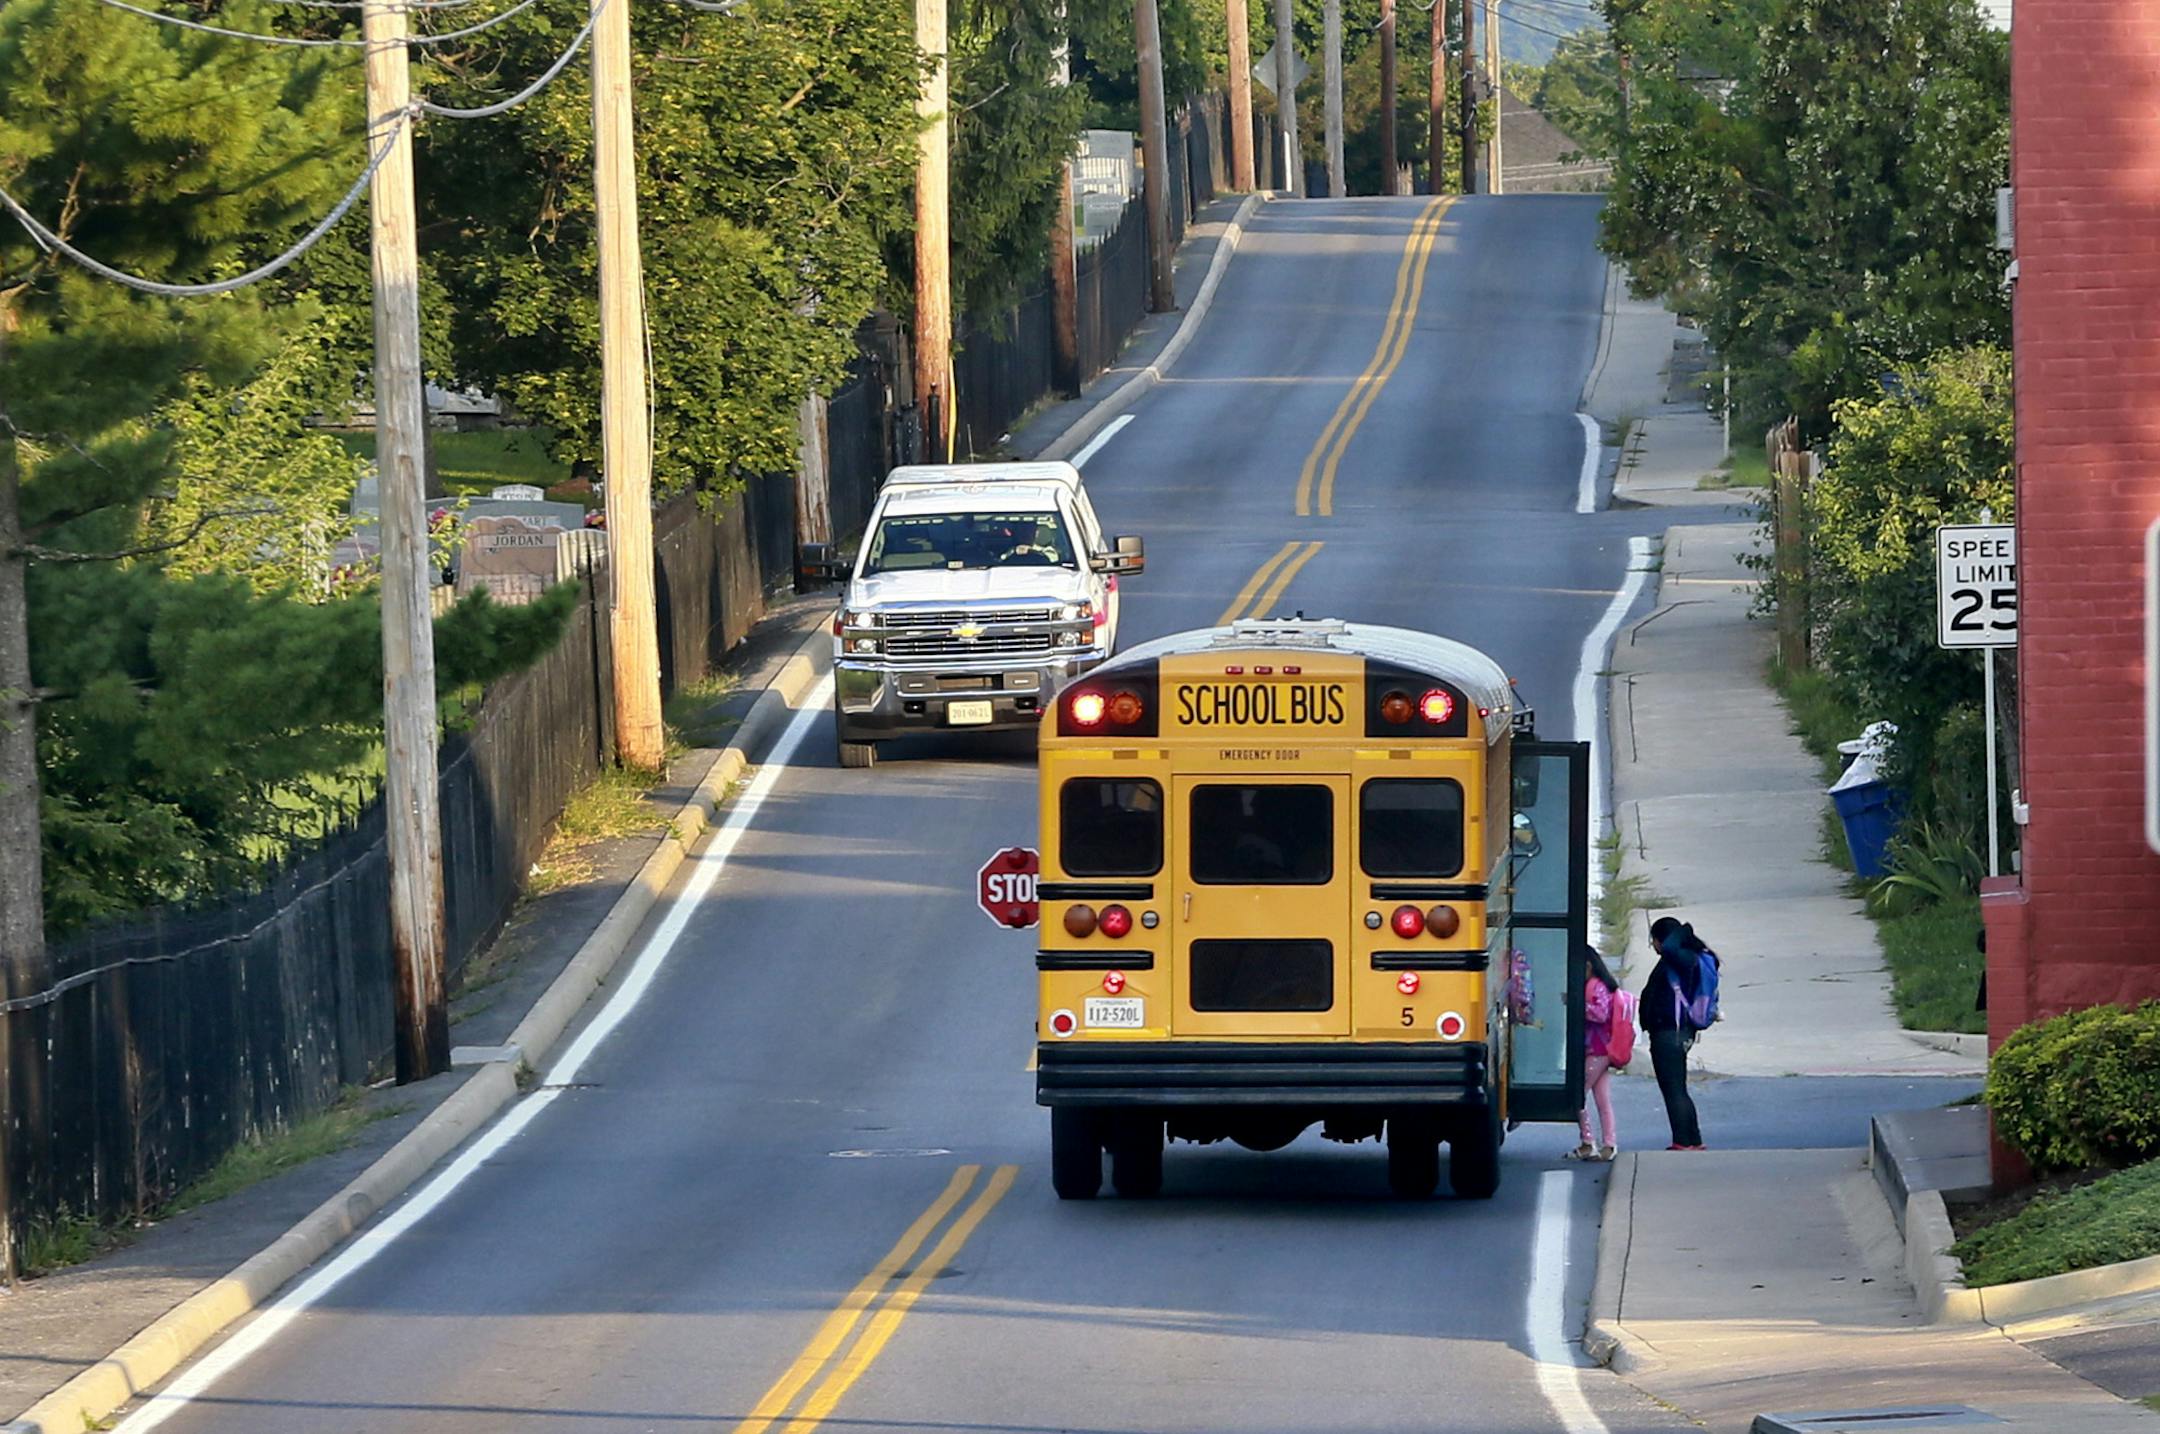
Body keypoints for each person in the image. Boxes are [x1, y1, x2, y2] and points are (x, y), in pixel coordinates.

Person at [1643, 916, 1718, 1150]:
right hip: (1676, 1031)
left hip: (1670, 1032)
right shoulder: (1686, 958)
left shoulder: (1681, 958)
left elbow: (1670, 946)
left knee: (1673, 1088)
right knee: (1679, 1088)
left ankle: (1683, 1141)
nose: (1654, 947)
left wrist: (1682, 930)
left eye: (1654, 940)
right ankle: (1693, 1140)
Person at [1567, 947, 1625, 1161]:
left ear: (1588, 967)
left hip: (1596, 1050)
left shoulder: (1595, 987)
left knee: (1577, 1095)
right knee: (1602, 1099)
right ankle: (1609, 1144)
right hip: (1602, 1049)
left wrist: (1576, 1005)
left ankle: (1587, 1141)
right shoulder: (1601, 985)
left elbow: (1600, 1014)